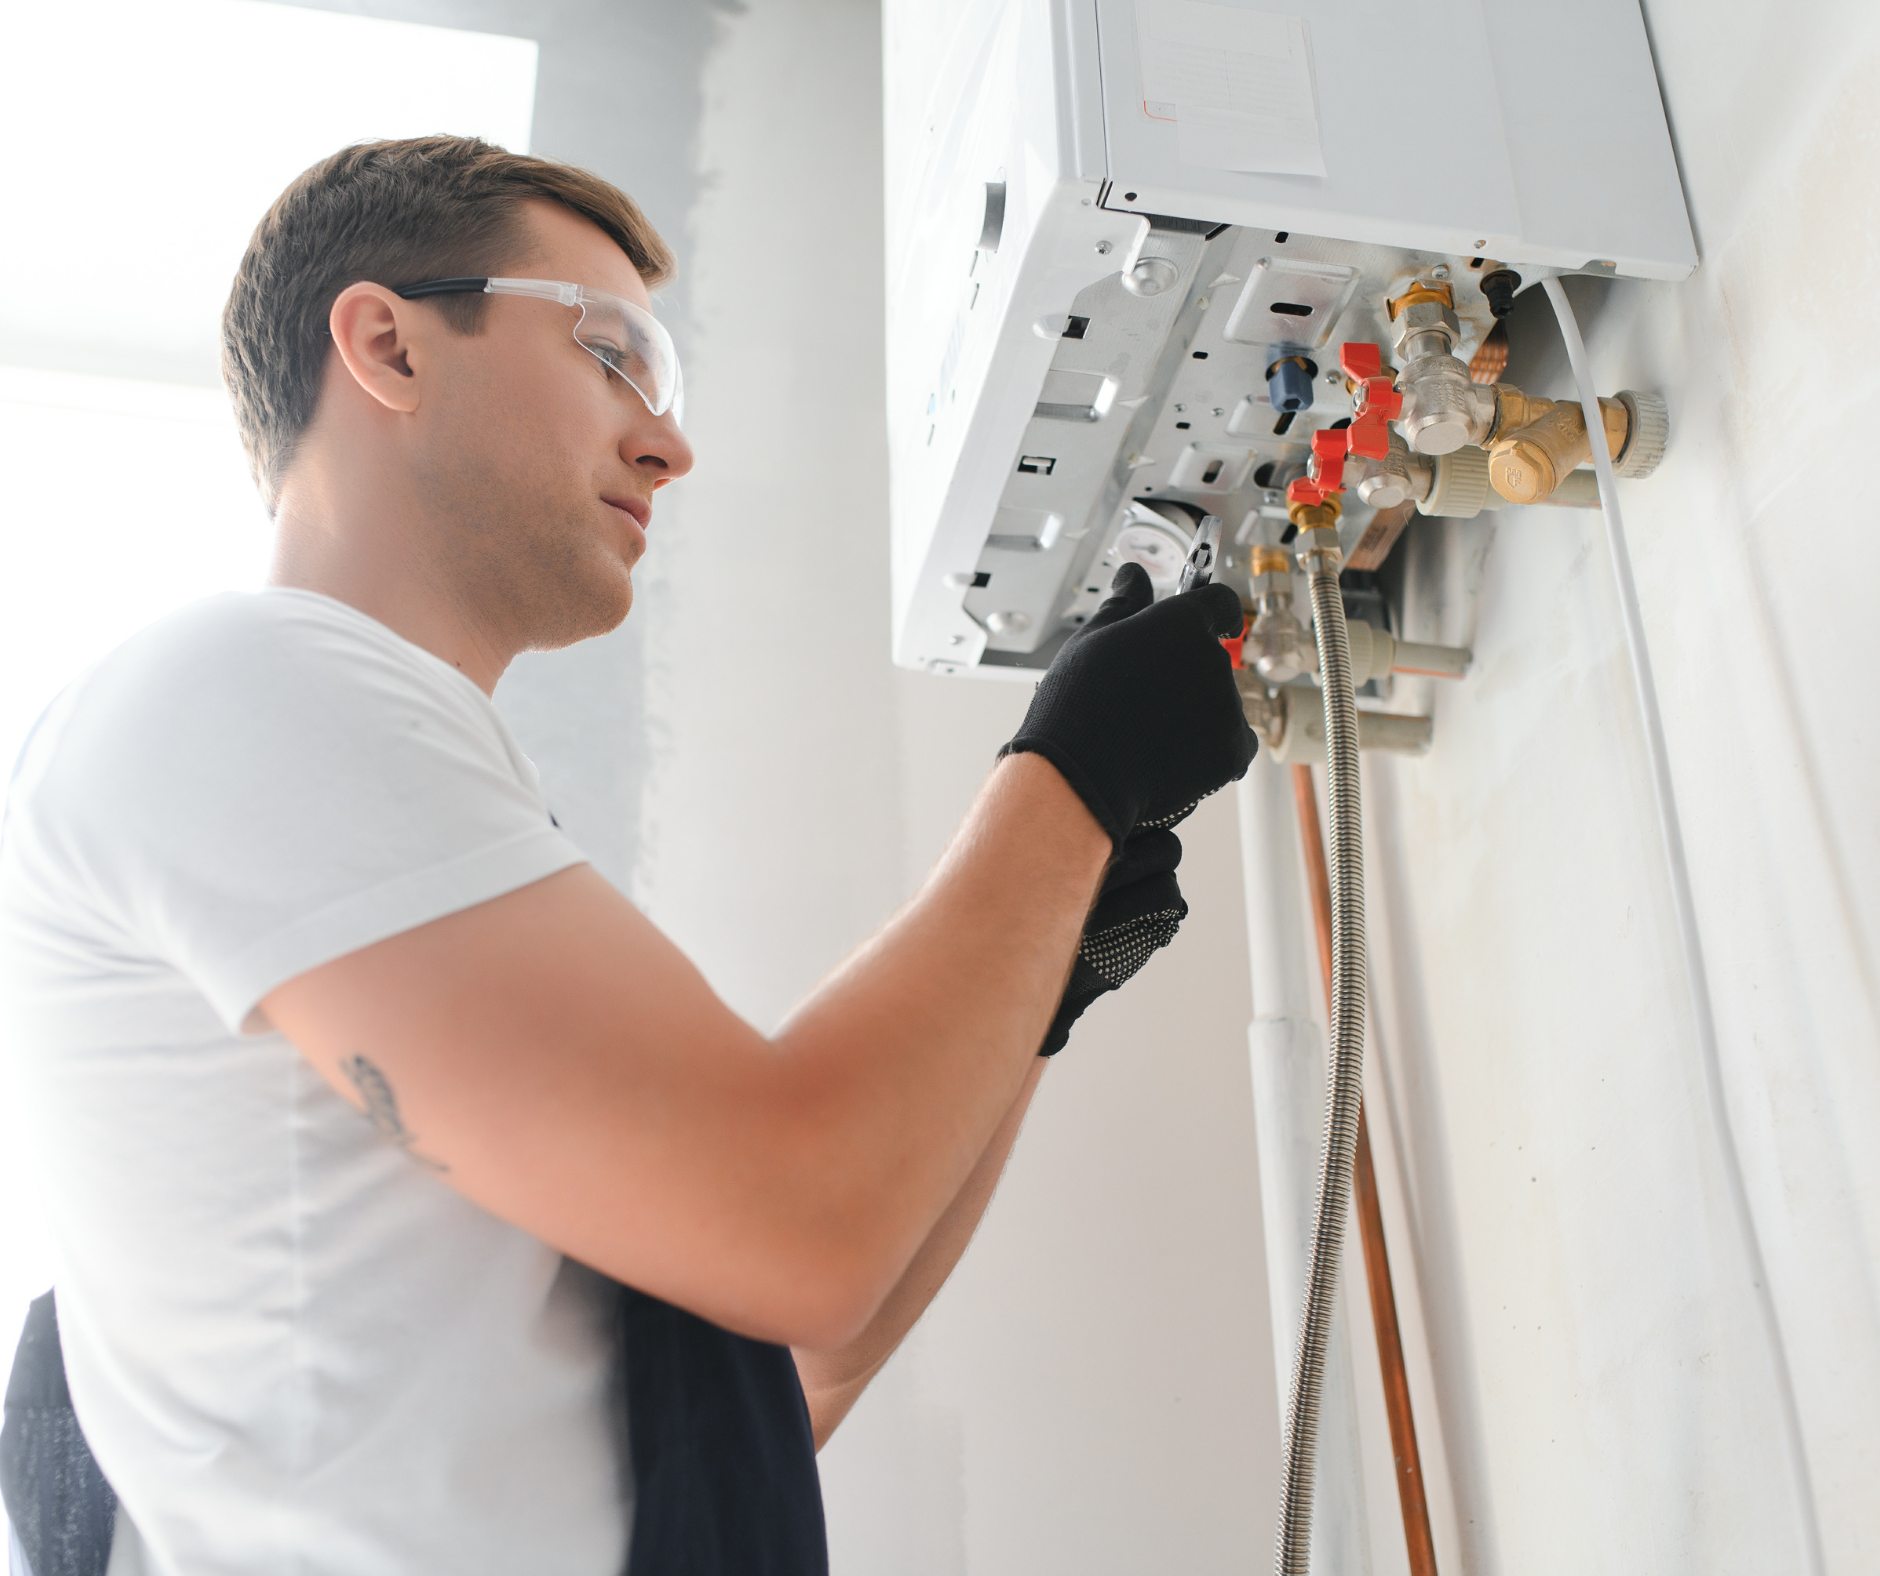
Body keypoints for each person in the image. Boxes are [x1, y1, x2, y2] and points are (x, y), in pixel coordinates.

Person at [0, 136, 1253, 1574]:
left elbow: (779, 1365)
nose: (670, 443)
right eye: (612, 356)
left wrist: (1044, 979)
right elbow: (802, 1228)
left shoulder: (380, 801)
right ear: (389, 346)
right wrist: (1069, 782)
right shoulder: (237, 691)